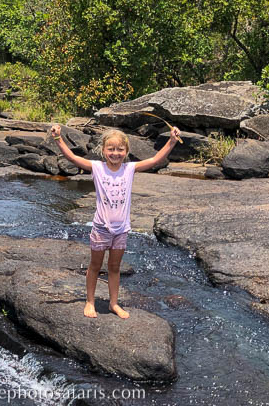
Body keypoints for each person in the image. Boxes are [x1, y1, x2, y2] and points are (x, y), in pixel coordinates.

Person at [49, 123, 181, 319]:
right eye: (111, 149)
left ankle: (113, 303)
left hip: (121, 229)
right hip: (101, 228)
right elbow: (73, 158)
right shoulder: (97, 167)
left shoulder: (129, 169)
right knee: (95, 266)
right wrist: (58, 139)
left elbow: (154, 160)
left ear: (126, 151)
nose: (115, 153)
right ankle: (90, 301)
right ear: (103, 150)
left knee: (114, 267)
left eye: (120, 149)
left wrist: (171, 141)